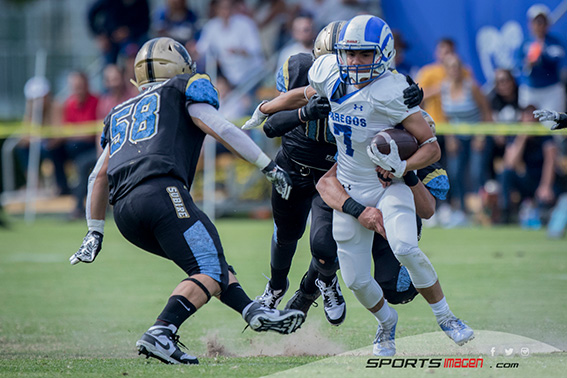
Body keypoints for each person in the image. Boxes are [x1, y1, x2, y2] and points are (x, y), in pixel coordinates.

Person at [68, 37, 304, 365]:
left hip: (123, 213)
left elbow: (98, 175)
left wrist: (94, 231)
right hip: (162, 193)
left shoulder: (119, 111)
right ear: (179, 66)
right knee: (207, 267)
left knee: (208, 262)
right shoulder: (183, 88)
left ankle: (252, 311)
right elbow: (221, 128)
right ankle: (161, 331)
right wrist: (267, 165)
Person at [308, 15, 473, 356]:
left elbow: (432, 146)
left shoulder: (395, 89)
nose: (354, 62)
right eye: (349, 54)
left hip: (387, 186)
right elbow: (303, 93)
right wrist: (267, 109)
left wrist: (404, 165)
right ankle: (386, 324)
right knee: (355, 280)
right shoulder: (328, 75)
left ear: (382, 54)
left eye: (364, 54)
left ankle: (447, 317)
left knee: (406, 248)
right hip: (349, 186)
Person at [244, 20, 424, 326]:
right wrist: (302, 112)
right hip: (296, 166)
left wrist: (415, 103)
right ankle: (275, 287)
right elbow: (273, 124)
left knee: (327, 246)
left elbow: (416, 133)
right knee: (287, 233)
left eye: (359, 56)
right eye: (343, 57)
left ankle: (321, 284)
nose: (350, 68)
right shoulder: (305, 72)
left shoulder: (386, 86)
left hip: (337, 174)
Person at [440, 53, 493, 221]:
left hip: (477, 134)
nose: (455, 70)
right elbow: (447, 117)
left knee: (478, 173)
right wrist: (450, 138)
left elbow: (485, 111)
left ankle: (484, 212)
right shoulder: (444, 88)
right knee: (454, 173)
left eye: (457, 65)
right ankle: (462, 211)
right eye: (451, 66)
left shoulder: (472, 87)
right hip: (457, 137)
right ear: (446, 70)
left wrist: (481, 136)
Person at [499, 105, 557, 224]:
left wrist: (545, 186)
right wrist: (522, 138)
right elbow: (510, 163)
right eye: (527, 117)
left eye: (533, 117)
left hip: (543, 179)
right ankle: (505, 213)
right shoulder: (516, 134)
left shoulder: (545, 135)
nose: (530, 120)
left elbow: (550, 162)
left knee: (545, 206)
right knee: (506, 174)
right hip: (526, 178)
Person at [55, 71, 100, 219]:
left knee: (81, 163)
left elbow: (90, 135)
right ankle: (63, 187)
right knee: (52, 150)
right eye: (75, 87)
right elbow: (65, 131)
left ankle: (78, 207)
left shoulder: (97, 102)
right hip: (76, 148)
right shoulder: (69, 104)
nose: (78, 90)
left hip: (95, 148)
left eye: (80, 86)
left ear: (87, 86)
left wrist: (74, 133)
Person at [195, 0, 264, 88]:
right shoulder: (211, 27)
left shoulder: (246, 23)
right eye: (222, 8)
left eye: (228, 7)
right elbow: (201, 49)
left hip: (253, 76)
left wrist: (238, 51)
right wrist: (193, 51)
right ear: (216, 9)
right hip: (230, 78)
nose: (225, 11)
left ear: (233, 8)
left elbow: (255, 49)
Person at [516, 4, 566, 115]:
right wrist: (526, 64)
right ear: (530, 24)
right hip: (530, 89)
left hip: (551, 89)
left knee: (552, 124)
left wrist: (543, 54)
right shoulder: (524, 43)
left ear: (547, 24)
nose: (539, 25)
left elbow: (558, 60)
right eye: (536, 22)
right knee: (528, 125)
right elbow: (517, 63)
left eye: (542, 22)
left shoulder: (554, 42)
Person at [87, 0, 151, 65]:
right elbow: (91, 14)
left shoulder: (142, 3)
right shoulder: (108, 2)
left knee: (145, 49)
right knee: (110, 66)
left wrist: (128, 31)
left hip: (134, 37)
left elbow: (145, 24)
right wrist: (99, 36)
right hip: (111, 38)